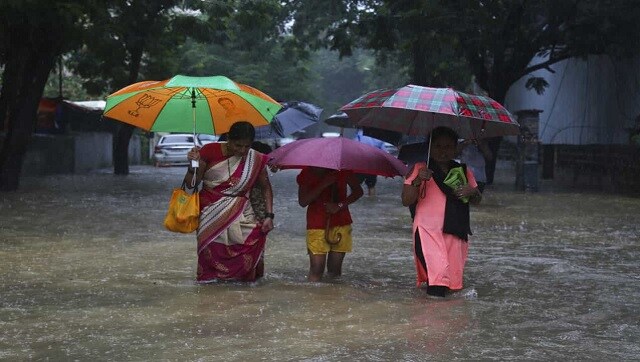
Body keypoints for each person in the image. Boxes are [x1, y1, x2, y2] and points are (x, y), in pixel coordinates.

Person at [185, 121, 274, 283]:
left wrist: (269, 215)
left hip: (243, 210)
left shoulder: (256, 158)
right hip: (211, 212)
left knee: (250, 244)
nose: (242, 151)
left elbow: (266, 187)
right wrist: (193, 166)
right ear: (229, 139)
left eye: (247, 146)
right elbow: (191, 185)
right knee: (212, 253)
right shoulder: (208, 151)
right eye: (238, 145)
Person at [401, 127, 482, 297]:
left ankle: (442, 319)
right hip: (426, 232)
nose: (442, 151)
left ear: (455, 148)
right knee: (437, 280)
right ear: (429, 147)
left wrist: (472, 192)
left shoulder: (463, 171)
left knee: (451, 285)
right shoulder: (420, 168)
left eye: (448, 147)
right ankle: (431, 321)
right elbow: (406, 200)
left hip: (455, 232)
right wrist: (418, 180)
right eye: (437, 146)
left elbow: (477, 199)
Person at [297, 167, 364, 282]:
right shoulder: (307, 172)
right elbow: (303, 201)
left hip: (341, 222)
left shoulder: (343, 170)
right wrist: (324, 184)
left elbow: (358, 191)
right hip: (316, 224)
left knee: (335, 271)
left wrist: (339, 206)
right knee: (316, 269)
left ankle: (333, 297)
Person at [354, 129, 387, 196]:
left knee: (355, 185)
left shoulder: (359, 134)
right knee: (371, 186)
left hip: (360, 164)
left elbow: (354, 147)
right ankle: (372, 201)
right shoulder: (378, 136)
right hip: (372, 165)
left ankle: (354, 202)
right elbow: (385, 153)